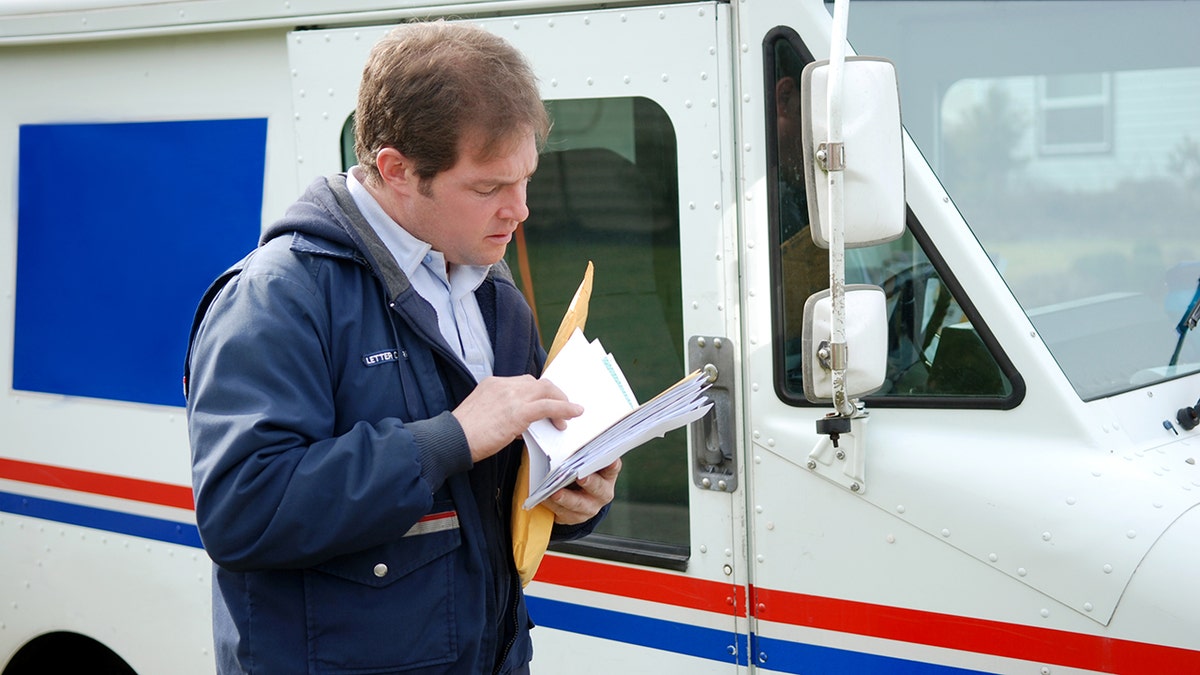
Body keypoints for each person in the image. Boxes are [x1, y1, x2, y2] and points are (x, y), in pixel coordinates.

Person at [184, 21, 620, 675]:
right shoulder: (279, 294)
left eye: (526, 178)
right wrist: (450, 437)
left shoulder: (494, 296)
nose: (520, 209)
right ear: (396, 170)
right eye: (488, 187)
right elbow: (242, 507)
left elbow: (495, 497)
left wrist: (572, 492)